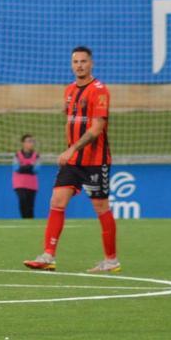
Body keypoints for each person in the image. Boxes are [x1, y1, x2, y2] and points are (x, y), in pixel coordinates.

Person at [24, 46, 119, 273]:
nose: (79, 65)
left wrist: (72, 148)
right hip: (73, 161)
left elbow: (96, 128)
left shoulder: (99, 90)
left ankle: (111, 260)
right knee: (57, 201)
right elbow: (72, 122)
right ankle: (48, 256)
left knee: (101, 207)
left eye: (83, 61)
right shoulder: (68, 90)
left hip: (95, 161)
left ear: (91, 63)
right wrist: (70, 150)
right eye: (75, 62)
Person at [12, 134, 40, 219]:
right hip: (19, 183)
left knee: (30, 204)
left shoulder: (36, 155)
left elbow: (36, 169)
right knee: (22, 200)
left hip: (32, 184)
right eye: (28, 141)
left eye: (32, 141)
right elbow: (16, 168)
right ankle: (24, 219)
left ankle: (30, 221)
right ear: (23, 143)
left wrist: (24, 166)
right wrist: (29, 166)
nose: (31, 143)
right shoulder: (17, 155)